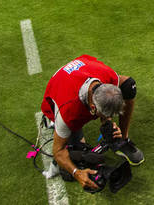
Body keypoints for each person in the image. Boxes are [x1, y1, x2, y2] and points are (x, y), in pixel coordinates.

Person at [39, 54, 143, 191]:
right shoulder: (68, 112)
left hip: (85, 69)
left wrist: (109, 124)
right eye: (107, 115)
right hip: (58, 92)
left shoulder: (109, 78)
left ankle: (124, 139)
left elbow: (116, 92)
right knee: (77, 157)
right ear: (93, 108)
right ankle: (58, 127)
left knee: (129, 85)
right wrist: (77, 173)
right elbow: (57, 152)